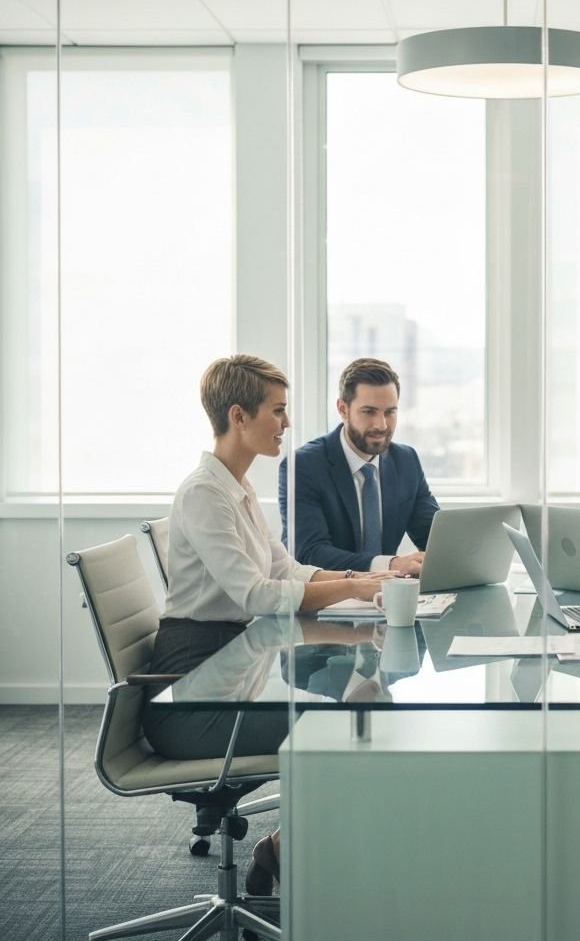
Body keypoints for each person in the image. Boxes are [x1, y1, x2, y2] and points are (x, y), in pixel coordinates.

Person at [142, 355, 393, 898]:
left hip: (233, 671)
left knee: (357, 708)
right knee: (341, 726)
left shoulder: (237, 488)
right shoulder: (205, 493)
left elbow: (285, 570)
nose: (285, 423)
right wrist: (354, 588)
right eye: (277, 412)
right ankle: (285, 849)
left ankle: (293, 847)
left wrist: (362, 578)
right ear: (239, 415)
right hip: (193, 698)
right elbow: (256, 595)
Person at [280, 358, 439, 577]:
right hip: (327, 601)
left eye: (390, 412)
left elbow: (435, 539)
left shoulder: (406, 461)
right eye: (369, 412)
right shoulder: (304, 466)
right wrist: (390, 564)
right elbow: (309, 552)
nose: (381, 425)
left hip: (385, 599)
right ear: (343, 409)